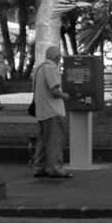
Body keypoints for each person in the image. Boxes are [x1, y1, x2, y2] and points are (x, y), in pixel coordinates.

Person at [32, 43, 71, 179]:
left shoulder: (38, 68)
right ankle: (55, 169)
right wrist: (64, 95)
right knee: (55, 140)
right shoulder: (50, 68)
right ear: (57, 57)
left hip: (41, 110)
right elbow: (54, 90)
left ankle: (39, 167)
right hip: (53, 111)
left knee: (42, 141)